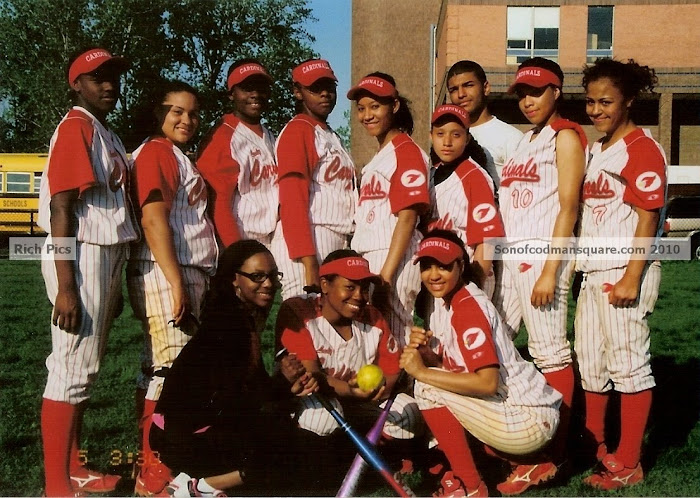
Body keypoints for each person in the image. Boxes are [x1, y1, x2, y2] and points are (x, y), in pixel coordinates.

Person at [37, 47, 137, 497]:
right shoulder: (77, 125)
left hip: (106, 253)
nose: (109, 84)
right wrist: (65, 287)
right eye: (97, 77)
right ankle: (57, 485)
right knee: (70, 367)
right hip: (81, 255)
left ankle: (74, 467)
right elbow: (61, 207)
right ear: (76, 84)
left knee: (85, 366)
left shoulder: (104, 132)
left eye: (113, 75)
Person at [150, 240, 319, 496]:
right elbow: (238, 405)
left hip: (193, 432)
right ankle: (198, 486)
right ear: (234, 279)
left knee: (298, 446)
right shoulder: (228, 327)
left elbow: (250, 392)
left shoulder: (241, 319)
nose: (269, 284)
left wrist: (286, 385)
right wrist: (281, 389)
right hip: (185, 440)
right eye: (257, 276)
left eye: (273, 275)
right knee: (291, 451)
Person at [401, 230, 562, 497]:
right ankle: (530, 464)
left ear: (460, 266)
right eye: (427, 266)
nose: (434, 274)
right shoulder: (452, 301)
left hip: (528, 418)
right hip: (524, 411)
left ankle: (470, 487)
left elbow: (486, 383)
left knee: (427, 387)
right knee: (434, 379)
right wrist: (430, 359)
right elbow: (462, 371)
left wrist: (422, 371)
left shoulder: (467, 307)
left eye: (443, 266)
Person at [492, 57, 587, 494]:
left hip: (542, 257)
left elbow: (569, 207)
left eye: (537, 91)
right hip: (512, 257)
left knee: (551, 352)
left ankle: (554, 453)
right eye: (522, 93)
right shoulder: (526, 140)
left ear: (556, 92)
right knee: (499, 341)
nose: (528, 100)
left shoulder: (564, 136)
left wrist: (551, 269)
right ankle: (517, 436)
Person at [575, 58, 666, 490]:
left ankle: (629, 461)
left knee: (629, 365)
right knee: (591, 364)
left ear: (628, 100)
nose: (596, 110)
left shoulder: (642, 148)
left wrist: (632, 277)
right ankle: (595, 448)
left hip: (626, 269)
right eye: (591, 101)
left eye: (606, 101)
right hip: (594, 270)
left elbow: (647, 219)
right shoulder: (599, 149)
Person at [126, 80, 218, 496]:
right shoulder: (156, 152)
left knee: (178, 371)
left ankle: (164, 461)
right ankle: (151, 468)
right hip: (167, 270)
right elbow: (152, 218)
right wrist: (176, 282)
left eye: (193, 113)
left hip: (186, 269)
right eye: (176, 111)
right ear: (157, 114)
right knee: (166, 371)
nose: (186, 119)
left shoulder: (178, 155)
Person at [276, 250, 423, 463]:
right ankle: (318, 462)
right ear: (325, 285)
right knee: (321, 420)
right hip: (317, 398)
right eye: (350, 286)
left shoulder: (373, 317)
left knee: (410, 414)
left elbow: (391, 370)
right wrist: (352, 391)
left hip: (362, 400)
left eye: (364, 288)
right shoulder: (298, 310)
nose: (359, 295)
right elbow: (311, 376)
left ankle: (378, 455)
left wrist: (377, 389)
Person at [347, 72, 430, 349]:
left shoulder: (406, 151)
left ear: (394, 107)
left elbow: (407, 218)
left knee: (396, 335)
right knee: (377, 337)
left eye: (375, 106)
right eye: (361, 108)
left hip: (395, 255)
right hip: (374, 253)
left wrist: (385, 277)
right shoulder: (382, 154)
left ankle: (409, 389)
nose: (367, 115)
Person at [273, 59, 356, 299]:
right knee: (306, 321)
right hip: (310, 236)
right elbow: (292, 199)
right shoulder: (298, 130)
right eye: (315, 88)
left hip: (332, 236)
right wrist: (309, 262)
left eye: (329, 87)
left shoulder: (329, 134)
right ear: (297, 92)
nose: (324, 94)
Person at [197, 59, 278, 250]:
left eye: (261, 88)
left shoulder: (270, 135)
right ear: (231, 94)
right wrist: (237, 252)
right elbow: (218, 204)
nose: (255, 94)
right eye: (247, 88)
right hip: (240, 237)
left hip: (272, 239)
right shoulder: (222, 136)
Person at [425, 104, 505, 299]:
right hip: (439, 277)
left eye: (456, 135)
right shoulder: (431, 174)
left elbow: (487, 240)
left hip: (469, 274)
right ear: (431, 136)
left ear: (467, 138)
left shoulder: (474, 175)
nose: (447, 141)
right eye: (440, 134)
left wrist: (474, 286)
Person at [446, 60, 523, 186]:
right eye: (454, 89)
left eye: (468, 85)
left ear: (486, 88)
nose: (461, 94)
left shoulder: (512, 137)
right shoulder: (446, 138)